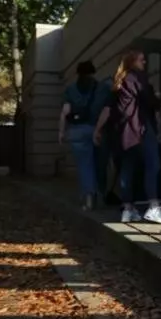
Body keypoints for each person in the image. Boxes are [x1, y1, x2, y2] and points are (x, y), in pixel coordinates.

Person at [93, 49, 161, 224]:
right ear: (132, 62)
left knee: (127, 170)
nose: (144, 63)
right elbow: (148, 99)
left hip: (122, 133)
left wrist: (98, 130)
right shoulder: (137, 78)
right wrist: (160, 106)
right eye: (141, 60)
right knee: (153, 165)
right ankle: (153, 206)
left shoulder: (117, 83)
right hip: (141, 129)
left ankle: (128, 209)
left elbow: (107, 109)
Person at [59, 61, 110, 210]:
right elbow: (107, 111)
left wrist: (61, 132)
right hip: (99, 130)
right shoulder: (103, 88)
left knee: (84, 165)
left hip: (78, 131)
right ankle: (101, 194)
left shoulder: (71, 89)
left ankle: (89, 198)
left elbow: (65, 112)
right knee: (101, 164)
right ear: (93, 72)